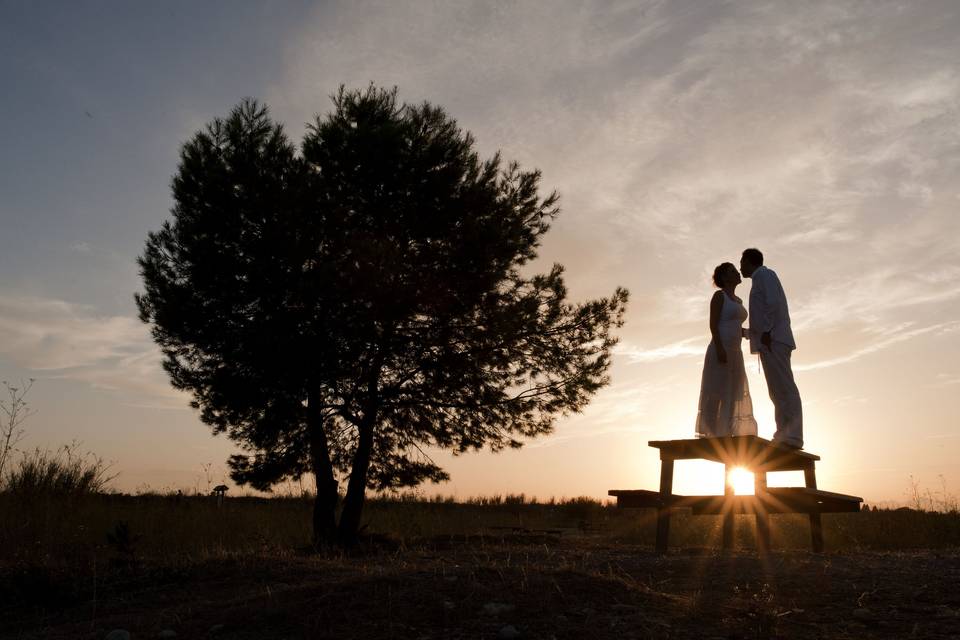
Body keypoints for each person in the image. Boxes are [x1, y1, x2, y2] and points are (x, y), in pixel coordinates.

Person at [740, 248, 803, 448]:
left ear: (750, 261)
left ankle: (792, 436)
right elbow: (762, 315)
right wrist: (747, 333)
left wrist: (767, 331)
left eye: (742, 263)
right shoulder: (761, 278)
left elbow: (773, 304)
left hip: (774, 340)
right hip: (770, 340)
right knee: (777, 391)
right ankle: (784, 433)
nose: (740, 267)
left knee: (784, 388)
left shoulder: (765, 275)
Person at [695, 262, 758, 438]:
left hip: (735, 352)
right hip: (720, 348)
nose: (737, 272)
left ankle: (727, 430)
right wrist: (720, 348)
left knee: (733, 391)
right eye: (732, 271)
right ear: (724, 277)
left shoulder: (738, 301)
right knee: (716, 390)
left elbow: (736, 327)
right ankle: (712, 431)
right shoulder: (719, 296)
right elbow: (713, 324)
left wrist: (750, 333)